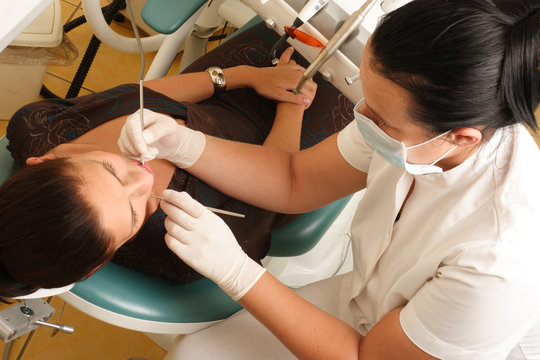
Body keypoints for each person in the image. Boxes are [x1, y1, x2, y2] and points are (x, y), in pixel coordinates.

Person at [118, 0, 540, 359]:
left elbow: (366, 356)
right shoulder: (415, 126)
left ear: (461, 137)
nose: (362, 120)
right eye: (366, 101)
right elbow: (294, 178)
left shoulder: (499, 262)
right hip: (368, 302)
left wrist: (236, 272)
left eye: (380, 118)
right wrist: (183, 144)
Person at [0, 23, 355, 301]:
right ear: (98, 265)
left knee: (307, 19)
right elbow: (281, 181)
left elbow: (140, 95)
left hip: (225, 91)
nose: (142, 181)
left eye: (111, 170)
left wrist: (243, 76)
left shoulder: (37, 126)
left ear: (46, 159)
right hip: (288, 141)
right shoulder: (185, 243)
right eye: (134, 213)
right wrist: (293, 99)